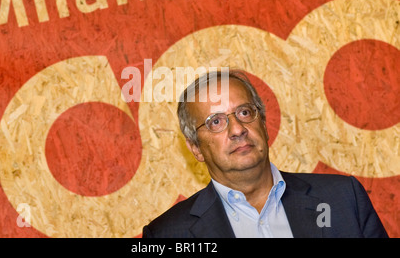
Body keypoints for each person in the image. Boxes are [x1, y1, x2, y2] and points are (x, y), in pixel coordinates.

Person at [142, 70, 388, 238]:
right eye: (215, 122)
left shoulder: (343, 198)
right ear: (195, 148)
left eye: (245, 113)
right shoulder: (169, 234)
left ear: (264, 123)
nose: (237, 129)